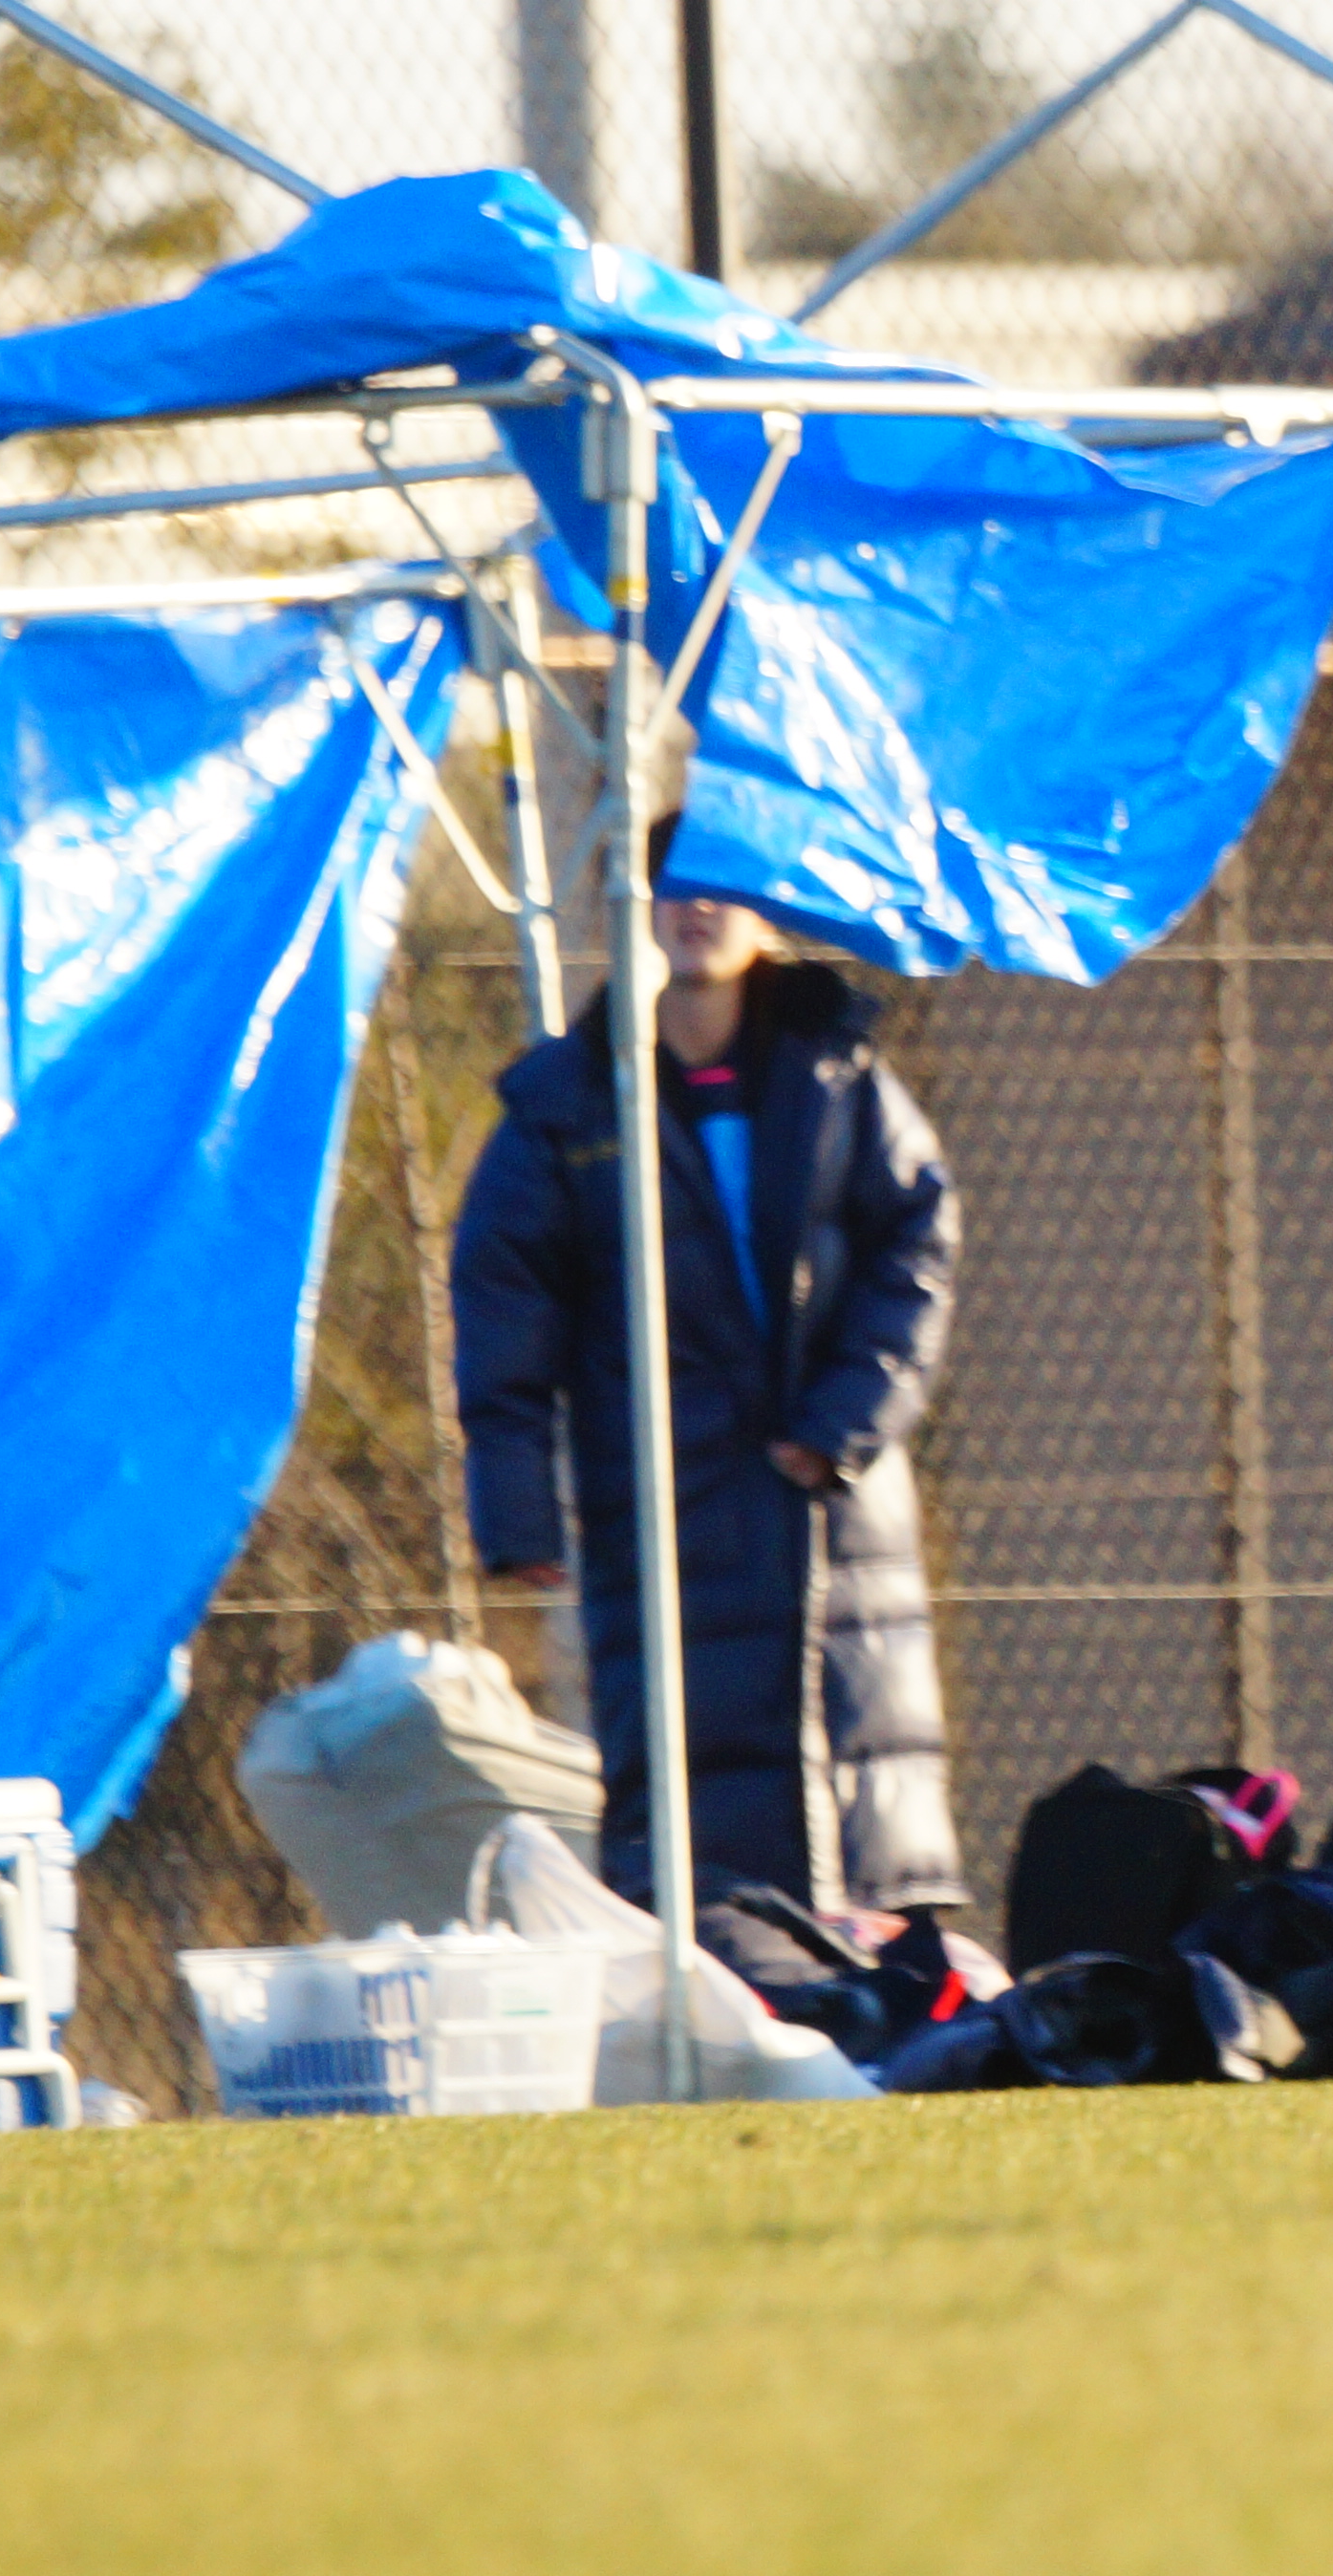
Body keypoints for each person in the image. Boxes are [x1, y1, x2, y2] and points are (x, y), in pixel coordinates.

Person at [456, 821, 967, 1916]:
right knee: (693, 1818)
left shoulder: (839, 1073)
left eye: (725, 883)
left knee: (852, 1761)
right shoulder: (570, 1099)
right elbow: (504, 1308)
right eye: (674, 884)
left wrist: (842, 1422)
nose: (697, 908)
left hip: (830, 1502)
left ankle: (878, 1997)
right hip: (661, 1504)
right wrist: (517, 1513)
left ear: (768, 906)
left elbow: (916, 1247)